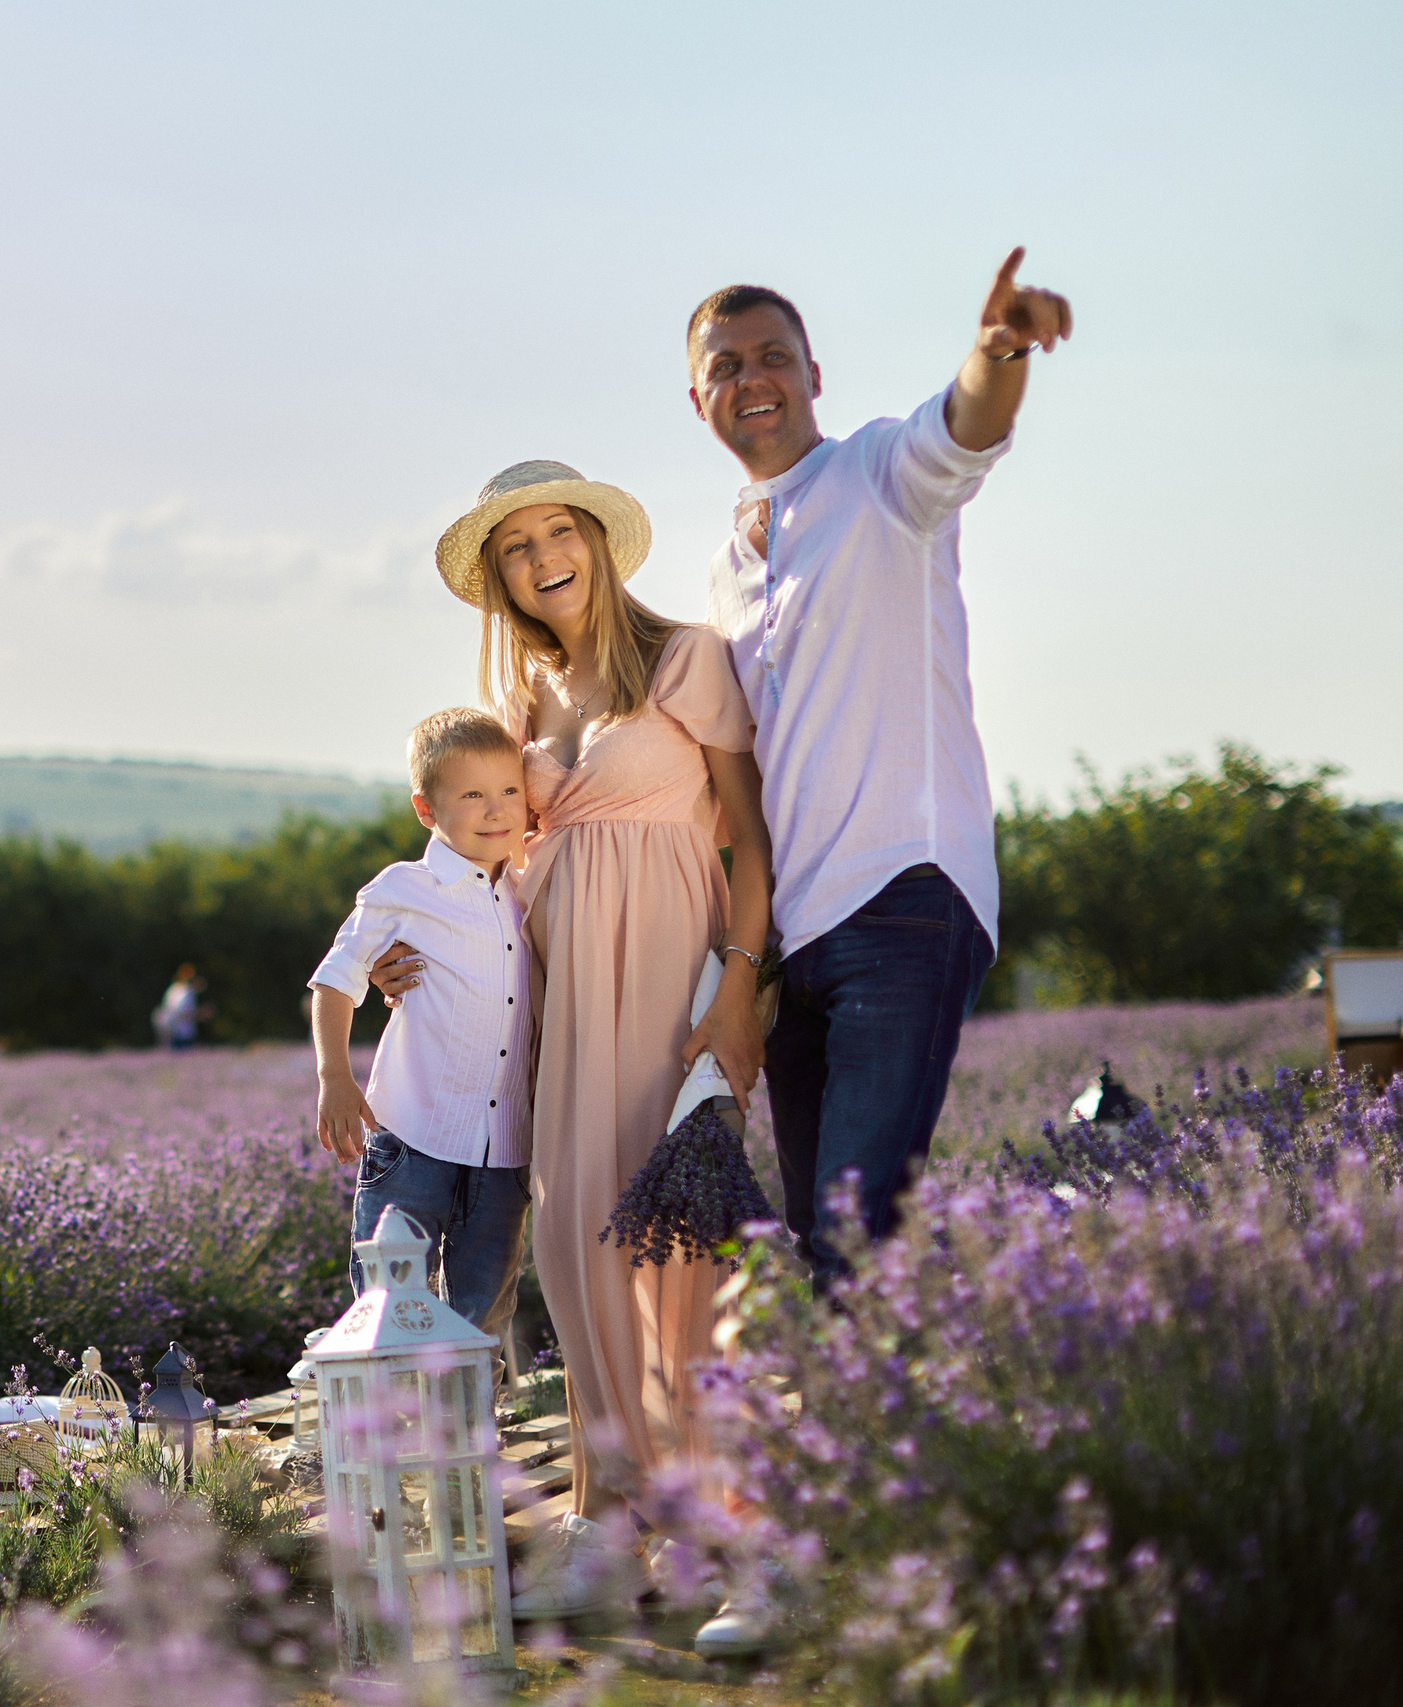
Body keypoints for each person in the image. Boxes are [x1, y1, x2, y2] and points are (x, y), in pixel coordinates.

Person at [677, 252, 1072, 1661]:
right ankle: (944, 1523)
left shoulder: (874, 482)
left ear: (813, 373)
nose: (752, 380)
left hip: (908, 893)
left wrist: (997, 352)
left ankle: (811, 1556)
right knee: (838, 1246)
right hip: (797, 942)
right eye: (724, 366)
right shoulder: (726, 566)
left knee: (849, 1232)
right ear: (699, 400)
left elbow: (963, 433)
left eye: (771, 355)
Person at [415, 462, 772, 1621]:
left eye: (557, 531)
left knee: (675, 1253)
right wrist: (408, 949)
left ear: (598, 541)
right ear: (499, 579)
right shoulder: (523, 704)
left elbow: (752, 841)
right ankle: (608, 1511)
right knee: (574, 1246)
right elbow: (481, 851)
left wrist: (738, 988)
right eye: (515, 548)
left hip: (669, 980)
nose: (542, 558)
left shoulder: (685, 660)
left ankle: (718, 1533)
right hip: (557, 996)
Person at [306, 708, 535, 1343]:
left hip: (504, 1147)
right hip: (414, 1134)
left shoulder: (531, 888)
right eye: (473, 795)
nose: (497, 809)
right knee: (388, 1306)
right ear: (426, 809)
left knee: (483, 1315)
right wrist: (335, 1077)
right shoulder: (404, 889)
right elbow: (336, 978)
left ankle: (473, 1406)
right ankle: (388, 1404)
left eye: (509, 790)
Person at [151, 963, 208, 1050]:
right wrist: (201, 1013)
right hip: (179, 1033)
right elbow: (181, 1012)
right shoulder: (183, 992)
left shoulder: (176, 990)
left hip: (178, 1031)